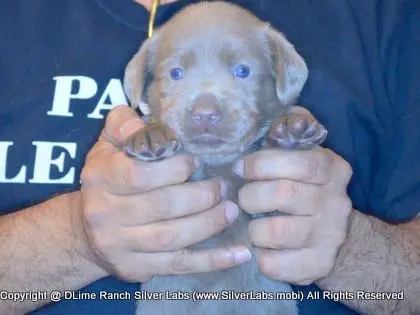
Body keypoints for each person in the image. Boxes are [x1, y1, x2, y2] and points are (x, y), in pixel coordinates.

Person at [0, 0, 419, 314]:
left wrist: (354, 249)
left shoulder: (386, 14)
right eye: (176, 74)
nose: (205, 108)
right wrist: (74, 239)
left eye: (240, 71)